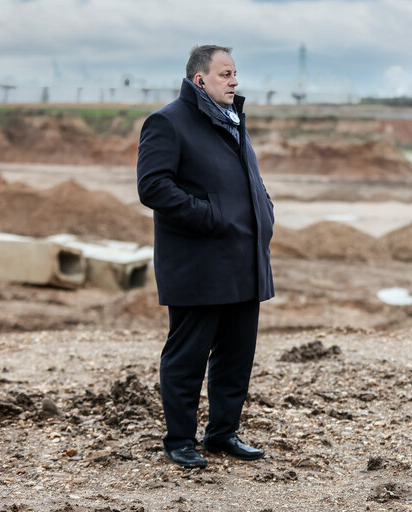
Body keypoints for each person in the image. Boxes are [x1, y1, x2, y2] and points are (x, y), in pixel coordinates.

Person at [137, 45, 274, 469]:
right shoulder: (168, 122)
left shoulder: (231, 120)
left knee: (236, 355)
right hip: (198, 264)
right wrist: (211, 216)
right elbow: (153, 187)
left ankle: (222, 434)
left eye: (236, 74)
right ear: (200, 80)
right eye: (225, 74)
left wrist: (264, 211)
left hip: (243, 259)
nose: (235, 81)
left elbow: (246, 180)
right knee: (187, 357)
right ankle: (180, 439)